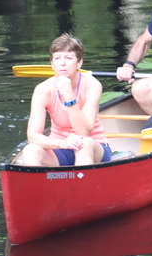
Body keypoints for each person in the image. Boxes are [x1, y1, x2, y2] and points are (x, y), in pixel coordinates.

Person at [20, 34, 113, 167]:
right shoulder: (43, 90)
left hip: (93, 146)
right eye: (57, 58)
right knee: (30, 150)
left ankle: (83, 186)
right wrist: (62, 143)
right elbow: (33, 136)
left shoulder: (92, 85)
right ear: (52, 64)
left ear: (79, 63)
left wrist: (69, 96)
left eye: (68, 58)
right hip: (61, 147)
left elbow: (83, 132)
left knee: (83, 143)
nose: (62, 63)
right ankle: (39, 187)